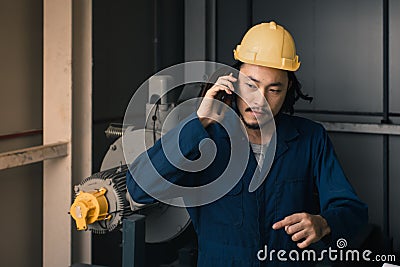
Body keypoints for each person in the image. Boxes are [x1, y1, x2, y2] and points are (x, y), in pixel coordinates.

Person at [126, 21, 368, 266]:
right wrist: (200, 122)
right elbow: (139, 188)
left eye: (274, 90)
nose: (259, 100)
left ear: (288, 89)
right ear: (234, 81)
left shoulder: (310, 138)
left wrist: (323, 223)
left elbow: (353, 211)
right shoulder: (203, 139)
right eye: (251, 85)